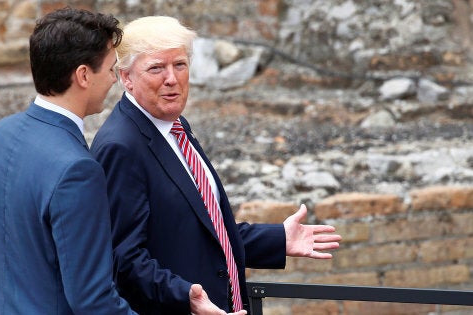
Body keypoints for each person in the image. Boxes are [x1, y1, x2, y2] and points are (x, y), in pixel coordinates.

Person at [0, 8, 243, 315]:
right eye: (111, 69)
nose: (114, 80)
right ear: (84, 75)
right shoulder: (77, 169)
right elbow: (92, 299)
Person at [90, 16, 342, 314]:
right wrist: (186, 296)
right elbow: (123, 260)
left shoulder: (175, 125)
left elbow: (202, 230)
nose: (171, 78)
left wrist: (277, 239)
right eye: (156, 68)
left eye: (180, 65)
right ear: (126, 77)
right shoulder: (121, 146)